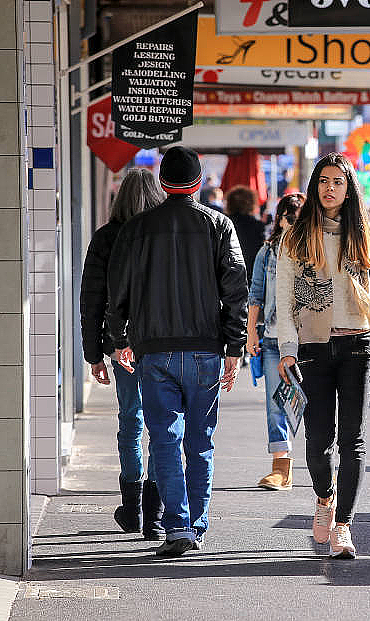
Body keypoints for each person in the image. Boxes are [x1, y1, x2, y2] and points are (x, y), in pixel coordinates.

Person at [107, 146, 248, 558]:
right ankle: (197, 524)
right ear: (198, 183)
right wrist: (235, 346)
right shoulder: (218, 225)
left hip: (154, 353)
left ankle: (177, 526)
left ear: (162, 183)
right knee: (200, 443)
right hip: (205, 350)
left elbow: (119, 292)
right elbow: (235, 290)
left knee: (164, 442)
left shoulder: (137, 229)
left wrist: (120, 340)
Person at [276, 152, 370, 559]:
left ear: (349, 188)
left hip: (359, 343)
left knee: (352, 440)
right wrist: (287, 350)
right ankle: (324, 497)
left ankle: (344, 524)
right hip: (313, 346)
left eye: (337, 182)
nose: (329, 189)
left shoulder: (368, 235)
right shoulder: (296, 236)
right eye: (323, 181)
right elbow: (284, 298)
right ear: (314, 187)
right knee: (317, 440)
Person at [80, 168, 166, 540]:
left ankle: (131, 507)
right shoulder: (163, 234)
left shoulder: (106, 237)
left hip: (120, 345)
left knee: (130, 419)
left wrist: (93, 353)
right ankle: (155, 510)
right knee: (162, 423)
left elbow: (92, 299)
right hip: (162, 343)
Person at [247, 193, 305, 490]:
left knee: (316, 404)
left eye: (299, 218)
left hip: (308, 341)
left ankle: (326, 467)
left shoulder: (315, 251)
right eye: (289, 218)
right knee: (275, 404)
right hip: (272, 339)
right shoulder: (268, 252)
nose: (293, 224)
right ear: (280, 219)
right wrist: (251, 333)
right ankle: (281, 467)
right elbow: (255, 293)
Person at [226, 185, 267, 285]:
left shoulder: (224, 223)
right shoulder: (257, 226)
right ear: (251, 203)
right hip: (250, 276)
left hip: (227, 277)